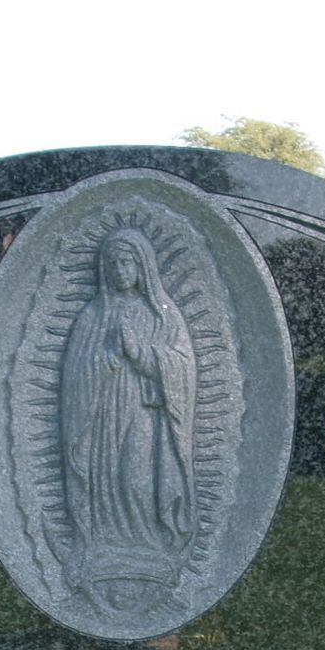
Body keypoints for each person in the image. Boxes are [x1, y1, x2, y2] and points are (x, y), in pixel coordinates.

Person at [58, 228, 197, 604]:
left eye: (127, 261)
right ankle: (102, 544)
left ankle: (149, 544)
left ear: (143, 266)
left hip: (144, 413)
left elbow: (183, 367)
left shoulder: (164, 316)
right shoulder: (92, 315)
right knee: (107, 482)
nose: (120, 270)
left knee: (136, 479)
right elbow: (74, 374)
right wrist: (99, 363)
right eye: (113, 263)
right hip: (102, 416)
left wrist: (144, 355)